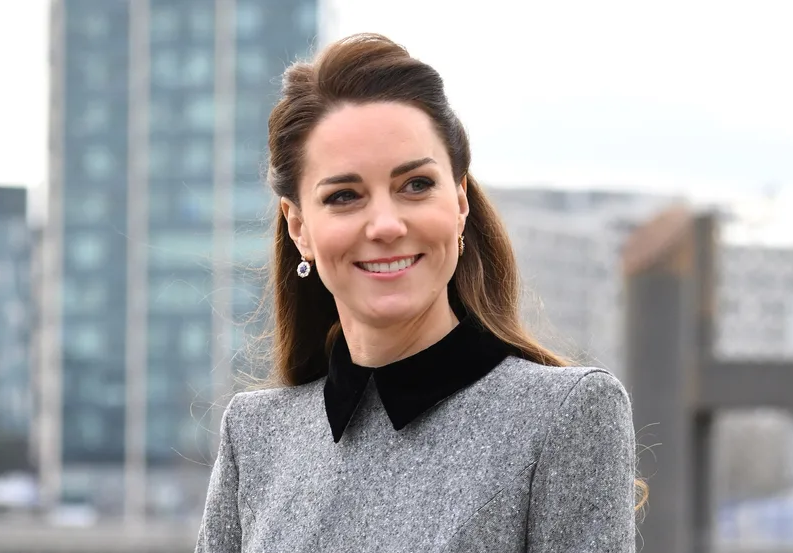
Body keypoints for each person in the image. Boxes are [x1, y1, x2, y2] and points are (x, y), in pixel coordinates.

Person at [195, 32, 646, 552]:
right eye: (344, 196)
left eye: (415, 185)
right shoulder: (254, 437)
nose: (385, 224)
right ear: (299, 227)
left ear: (458, 203)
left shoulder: (565, 415)